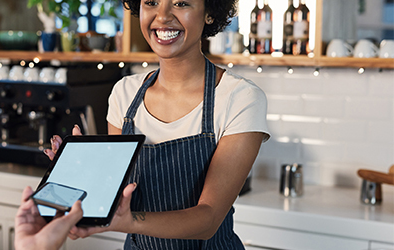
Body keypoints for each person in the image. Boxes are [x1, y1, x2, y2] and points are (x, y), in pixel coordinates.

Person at [45, 0, 270, 248]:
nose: (162, 16)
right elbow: (119, 196)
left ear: (209, 13)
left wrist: (130, 222)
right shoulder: (125, 93)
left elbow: (209, 219)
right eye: (151, 2)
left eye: (181, 3)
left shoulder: (239, 97)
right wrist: (83, 173)